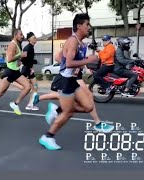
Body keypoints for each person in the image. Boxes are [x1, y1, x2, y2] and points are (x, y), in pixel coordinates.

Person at [38, 13, 106, 150]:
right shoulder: (73, 41)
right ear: (79, 26)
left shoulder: (80, 43)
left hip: (73, 80)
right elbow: (68, 63)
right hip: (66, 81)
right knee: (68, 113)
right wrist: (88, 60)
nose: (89, 27)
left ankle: (59, 109)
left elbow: (75, 61)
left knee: (88, 106)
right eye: (87, 24)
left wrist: (85, 63)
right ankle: (48, 136)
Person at [33, 42, 114, 134]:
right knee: (87, 95)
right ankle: (98, 123)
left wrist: (81, 64)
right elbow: (57, 57)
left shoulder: (83, 45)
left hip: (75, 76)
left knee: (69, 97)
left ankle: (45, 102)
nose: (88, 29)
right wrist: (69, 66)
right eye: (87, 26)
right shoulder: (73, 43)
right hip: (68, 76)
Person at [0, 29, 31, 118]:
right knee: (0, 92)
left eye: (22, 34)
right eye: (20, 34)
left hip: (15, 71)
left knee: (27, 87)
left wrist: (19, 61)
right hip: (9, 72)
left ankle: (15, 104)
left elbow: (15, 58)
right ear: (15, 35)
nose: (22, 36)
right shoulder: (12, 45)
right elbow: (9, 59)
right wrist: (20, 55)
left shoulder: (18, 44)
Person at [13, 32, 39, 111]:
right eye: (34, 38)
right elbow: (22, 58)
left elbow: (29, 59)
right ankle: (12, 81)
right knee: (27, 87)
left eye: (35, 37)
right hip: (26, 69)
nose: (35, 39)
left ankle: (30, 105)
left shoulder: (31, 47)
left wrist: (32, 66)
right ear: (29, 39)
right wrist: (29, 66)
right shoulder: (27, 47)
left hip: (29, 69)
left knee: (35, 87)